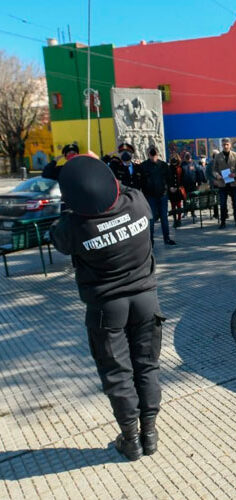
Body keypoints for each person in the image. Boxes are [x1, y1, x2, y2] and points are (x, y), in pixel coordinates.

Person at [51, 155, 165, 462]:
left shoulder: (77, 227)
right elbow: (123, 188)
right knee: (147, 366)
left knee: (117, 373)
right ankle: (150, 433)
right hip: (146, 300)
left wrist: (71, 201)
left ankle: (131, 440)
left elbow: (57, 237)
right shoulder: (138, 202)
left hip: (106, 307)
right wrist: (96, 168)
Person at [140, 146, 176, 246]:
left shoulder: (163, 165)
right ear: (148, 155)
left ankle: (167, 238)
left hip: (162, 195)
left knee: (164, 217)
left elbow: (169, 178)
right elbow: (141, 181)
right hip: (150, 196)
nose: (153, 156)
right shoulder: (143, 166)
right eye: (151, 154)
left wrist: (171, 187)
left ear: (157, 154)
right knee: (151, 219)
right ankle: (150, 241)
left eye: (155, 154)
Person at [212, 138, 236, 229]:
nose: (225, 146)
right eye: (224, 145)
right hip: (222, 183)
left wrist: (235, 174)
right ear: (222, 145)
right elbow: (214, 170)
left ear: (230, 145)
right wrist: (217, 176)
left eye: (227, 144)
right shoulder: (218, 156)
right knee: (222, 204)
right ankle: (223, 222)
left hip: (233, 183)